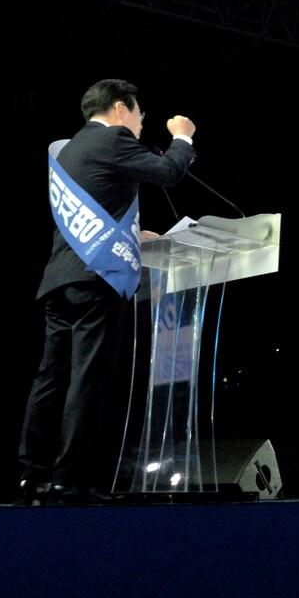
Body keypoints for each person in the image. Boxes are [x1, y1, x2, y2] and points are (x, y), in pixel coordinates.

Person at [18, 79, 196, 504]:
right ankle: (71, 478)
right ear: (121, 108)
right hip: (97, 280)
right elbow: (169, 173)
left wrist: (134, 235)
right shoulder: (114, 139)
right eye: (139, 115)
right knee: (88, 379)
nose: (139, 124)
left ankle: (32, 474)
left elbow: (96, 202)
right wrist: (183, 137)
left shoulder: (68, 149)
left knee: (51, 377)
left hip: (61, 280)